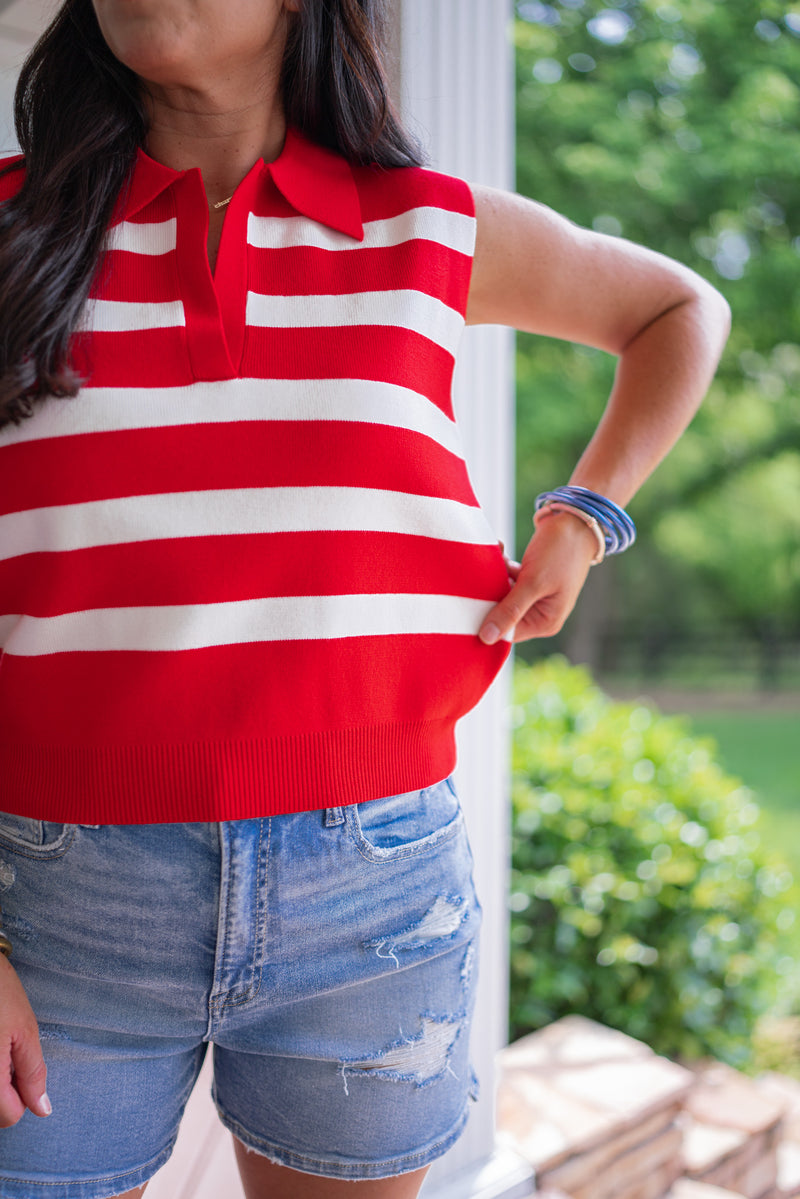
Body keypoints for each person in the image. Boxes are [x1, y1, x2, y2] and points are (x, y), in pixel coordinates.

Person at [0, 1, 730, 1197]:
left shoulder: (429, 226)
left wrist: (583, 516)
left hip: (374, 892)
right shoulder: (9, 231)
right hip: (54, 898)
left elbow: (676, 309)